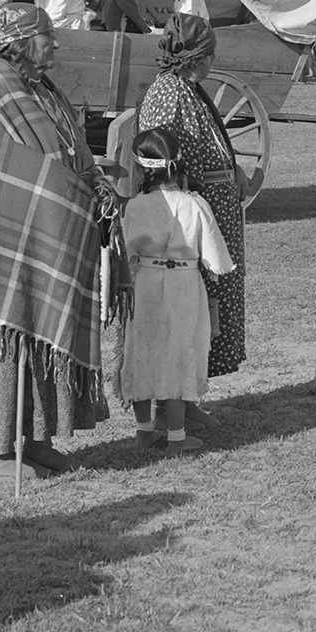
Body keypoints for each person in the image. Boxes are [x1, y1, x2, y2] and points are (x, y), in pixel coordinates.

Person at [0, 5, 111, 479]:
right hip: (11, 234)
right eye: (47, 35)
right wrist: (75, 188)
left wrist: (94, 185)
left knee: (44, 335)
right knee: (13, 335)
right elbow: (12, 166)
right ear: (20, 40)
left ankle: (36, 440)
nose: (55, 43)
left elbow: (71, 153)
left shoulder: (43, 89)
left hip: (50, 229)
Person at [138, 15, 257, 421]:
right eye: (209, 54)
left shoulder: (187, 90)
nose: (213, 61)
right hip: (186, 225)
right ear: (197, 57)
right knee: (186, 311)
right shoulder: (169, 95)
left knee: (202, 311)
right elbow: (159, 158)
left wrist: (233, 169)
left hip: (210, 211)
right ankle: (172, 405)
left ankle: (185, 400)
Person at [119, 126, 233, 454]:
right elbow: (215, 259)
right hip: (183, 285)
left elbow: (127, 253)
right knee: (179, 354)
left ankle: (144, 432)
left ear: (141, 168)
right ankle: (177, 436)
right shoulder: (194, 206)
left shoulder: (136, 207)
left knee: (142, 351)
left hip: (146, 284)